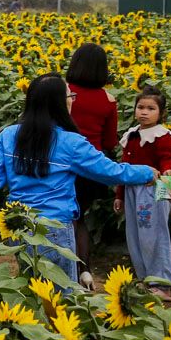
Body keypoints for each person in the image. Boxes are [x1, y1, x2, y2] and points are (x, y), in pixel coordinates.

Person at [0, 74, 155, 283]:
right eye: (69, 95)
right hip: (53, 227)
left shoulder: (9, 135)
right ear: (58, 103)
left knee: (32, 288)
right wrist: (147, 172)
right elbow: (111, 172)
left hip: (18, 225)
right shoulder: (71, 142)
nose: (72, 99)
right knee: (61, 293)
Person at [115, 86, 171, 290]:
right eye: (140, 107)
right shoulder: (132, 134)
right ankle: (145, 279)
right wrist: (120, 195)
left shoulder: (162, 135)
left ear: (161, 113)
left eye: (151, 108)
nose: (144, 112)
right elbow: (124, 167)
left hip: (154, 190)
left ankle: (163, 284)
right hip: (132, 190)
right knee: (135, 236)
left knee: (156, 235)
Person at [65, 43, 119, 288]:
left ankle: (66, 270)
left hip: (63, 163)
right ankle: (84, 270)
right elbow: (109, 141)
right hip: (92, 168)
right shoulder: (108, 101)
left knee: (64, 218)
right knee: (80, 217)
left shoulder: (64, 92)